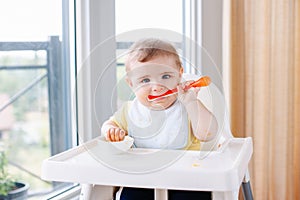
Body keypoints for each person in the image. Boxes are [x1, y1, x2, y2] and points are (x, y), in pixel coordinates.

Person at [101, 38, 218, 200]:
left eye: (165, 76)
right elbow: (108, 124)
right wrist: (110, 130)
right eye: (145, 80)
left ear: (179, 76)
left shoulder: (187, 106)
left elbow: (208, 134)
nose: (157, 86)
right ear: (131, 84)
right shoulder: (130, 111)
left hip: (187, 180)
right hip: (142, 181)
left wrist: (192, 102)